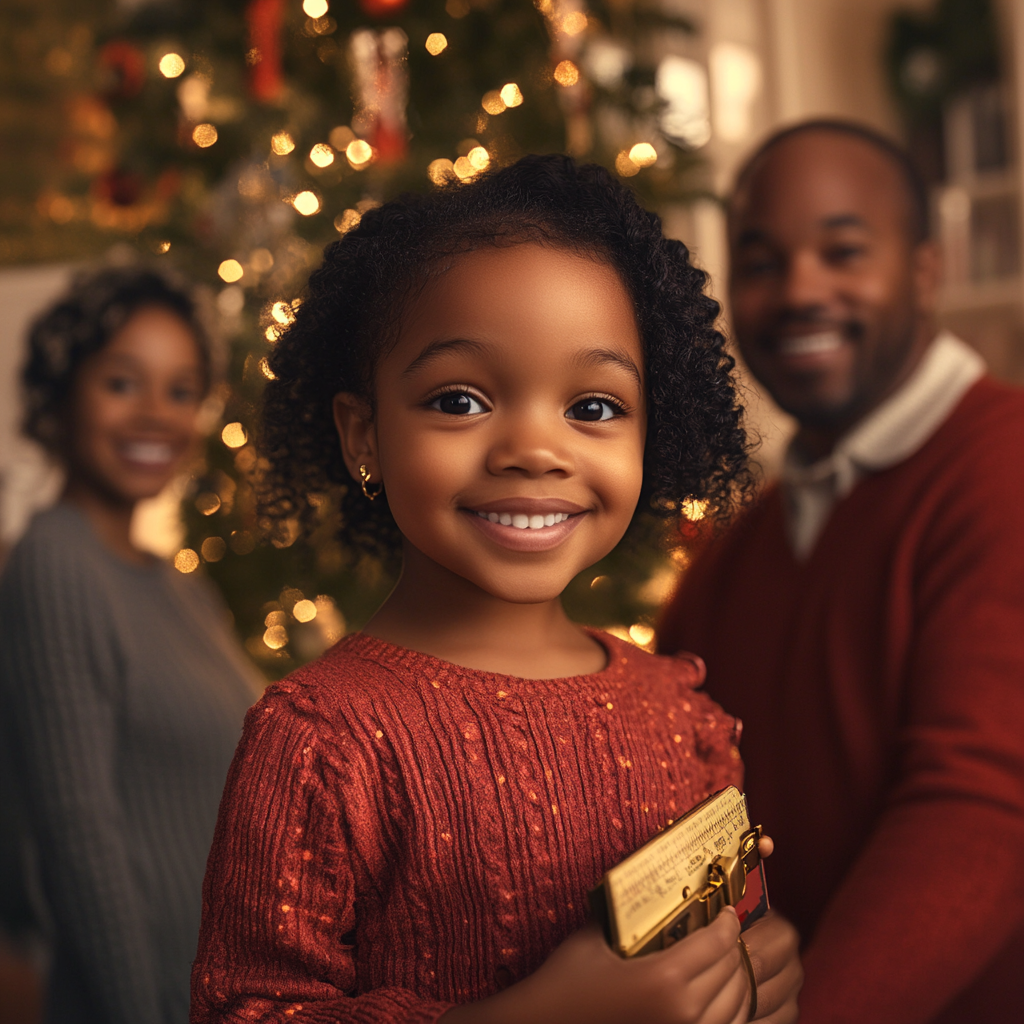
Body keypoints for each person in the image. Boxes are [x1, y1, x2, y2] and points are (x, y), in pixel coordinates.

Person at [190, 155, 803, 1024]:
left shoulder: (682, 715)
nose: (532, 448)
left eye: (593, 408)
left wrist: (756, 978)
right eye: (461, 399)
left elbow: (727, 944)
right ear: (364, 433)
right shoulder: (322, 745)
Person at [658, 120, 1024, 1024]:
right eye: (762, 262)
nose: (799, 291)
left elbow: (981, 816)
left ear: (926, 268)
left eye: (843, 251)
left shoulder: (1002, 471)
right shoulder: (745, 544)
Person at [0, 267, 259, 1024]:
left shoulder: (180, 586)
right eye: (123, 382)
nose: (157, 416)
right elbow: (80, 841)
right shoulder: (56, 560)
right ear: (63, 394)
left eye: (181, 391)